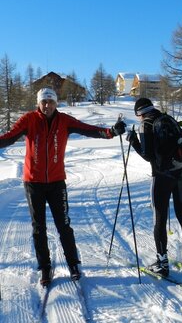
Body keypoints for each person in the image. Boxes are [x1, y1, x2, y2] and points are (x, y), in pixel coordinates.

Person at [0, 87, 126, 286]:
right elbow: (9, 137)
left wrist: (110, 132)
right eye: (44, 102)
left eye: (51, 101)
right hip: (33, 182)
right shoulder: (29, 120)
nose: (47, 105)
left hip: (57, 182)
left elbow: (88, 129)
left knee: (64, 225)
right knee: (38, 228)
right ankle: (45, 268)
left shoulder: (64, 121)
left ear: (56, 103)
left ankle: (73, 264)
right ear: (38, 103)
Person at [126, 97, 182, 276]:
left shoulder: (147, 124)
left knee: (160, 217)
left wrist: (134, 141)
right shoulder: (168, 118)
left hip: (162, 176)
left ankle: (162, 263)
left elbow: (147, 155)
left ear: (139, 113)